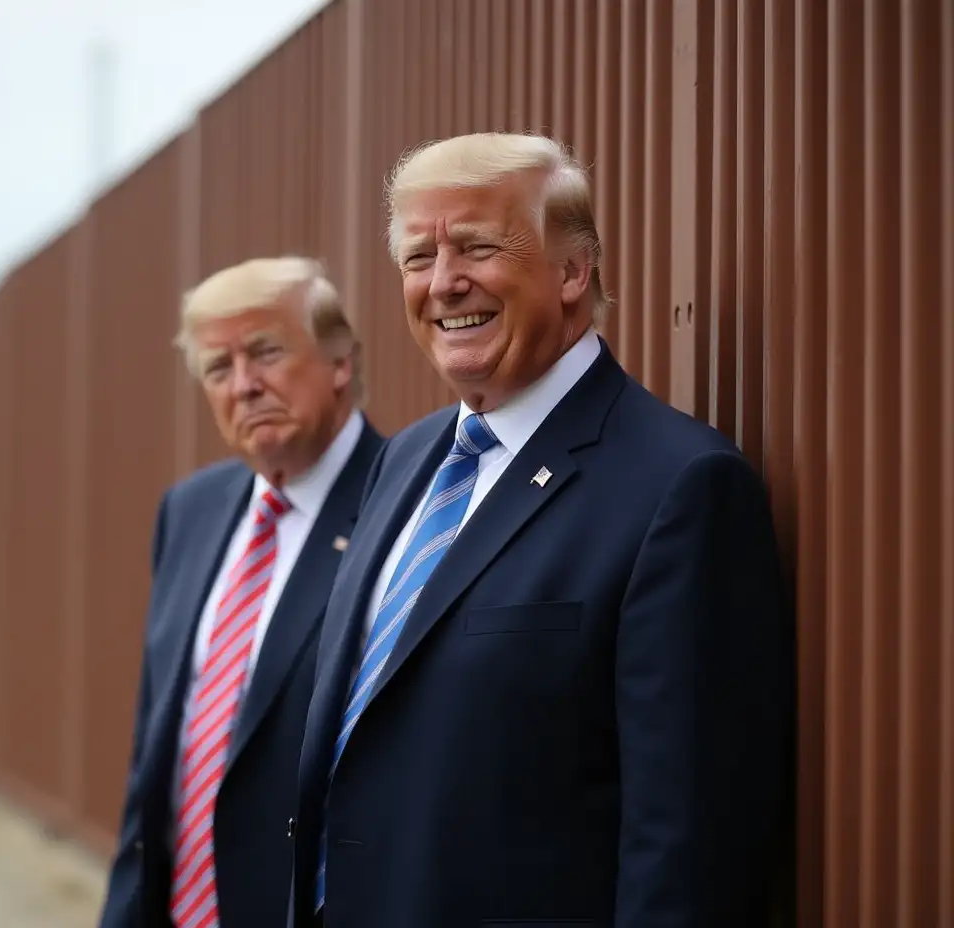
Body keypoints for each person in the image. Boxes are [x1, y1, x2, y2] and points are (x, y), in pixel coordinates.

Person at [289, 133, 794, 927]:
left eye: (479, 247)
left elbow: (688, 844)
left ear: (572, 270)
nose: (445, 283)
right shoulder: (406, 460)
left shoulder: (680, 488)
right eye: (419, 258)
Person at [98, 256, 384, 928]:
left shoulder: (402, 504)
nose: (245, 386)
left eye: (267, 352)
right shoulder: (190, 511)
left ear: (340, 360)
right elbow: (157, 756)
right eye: (219, 369)